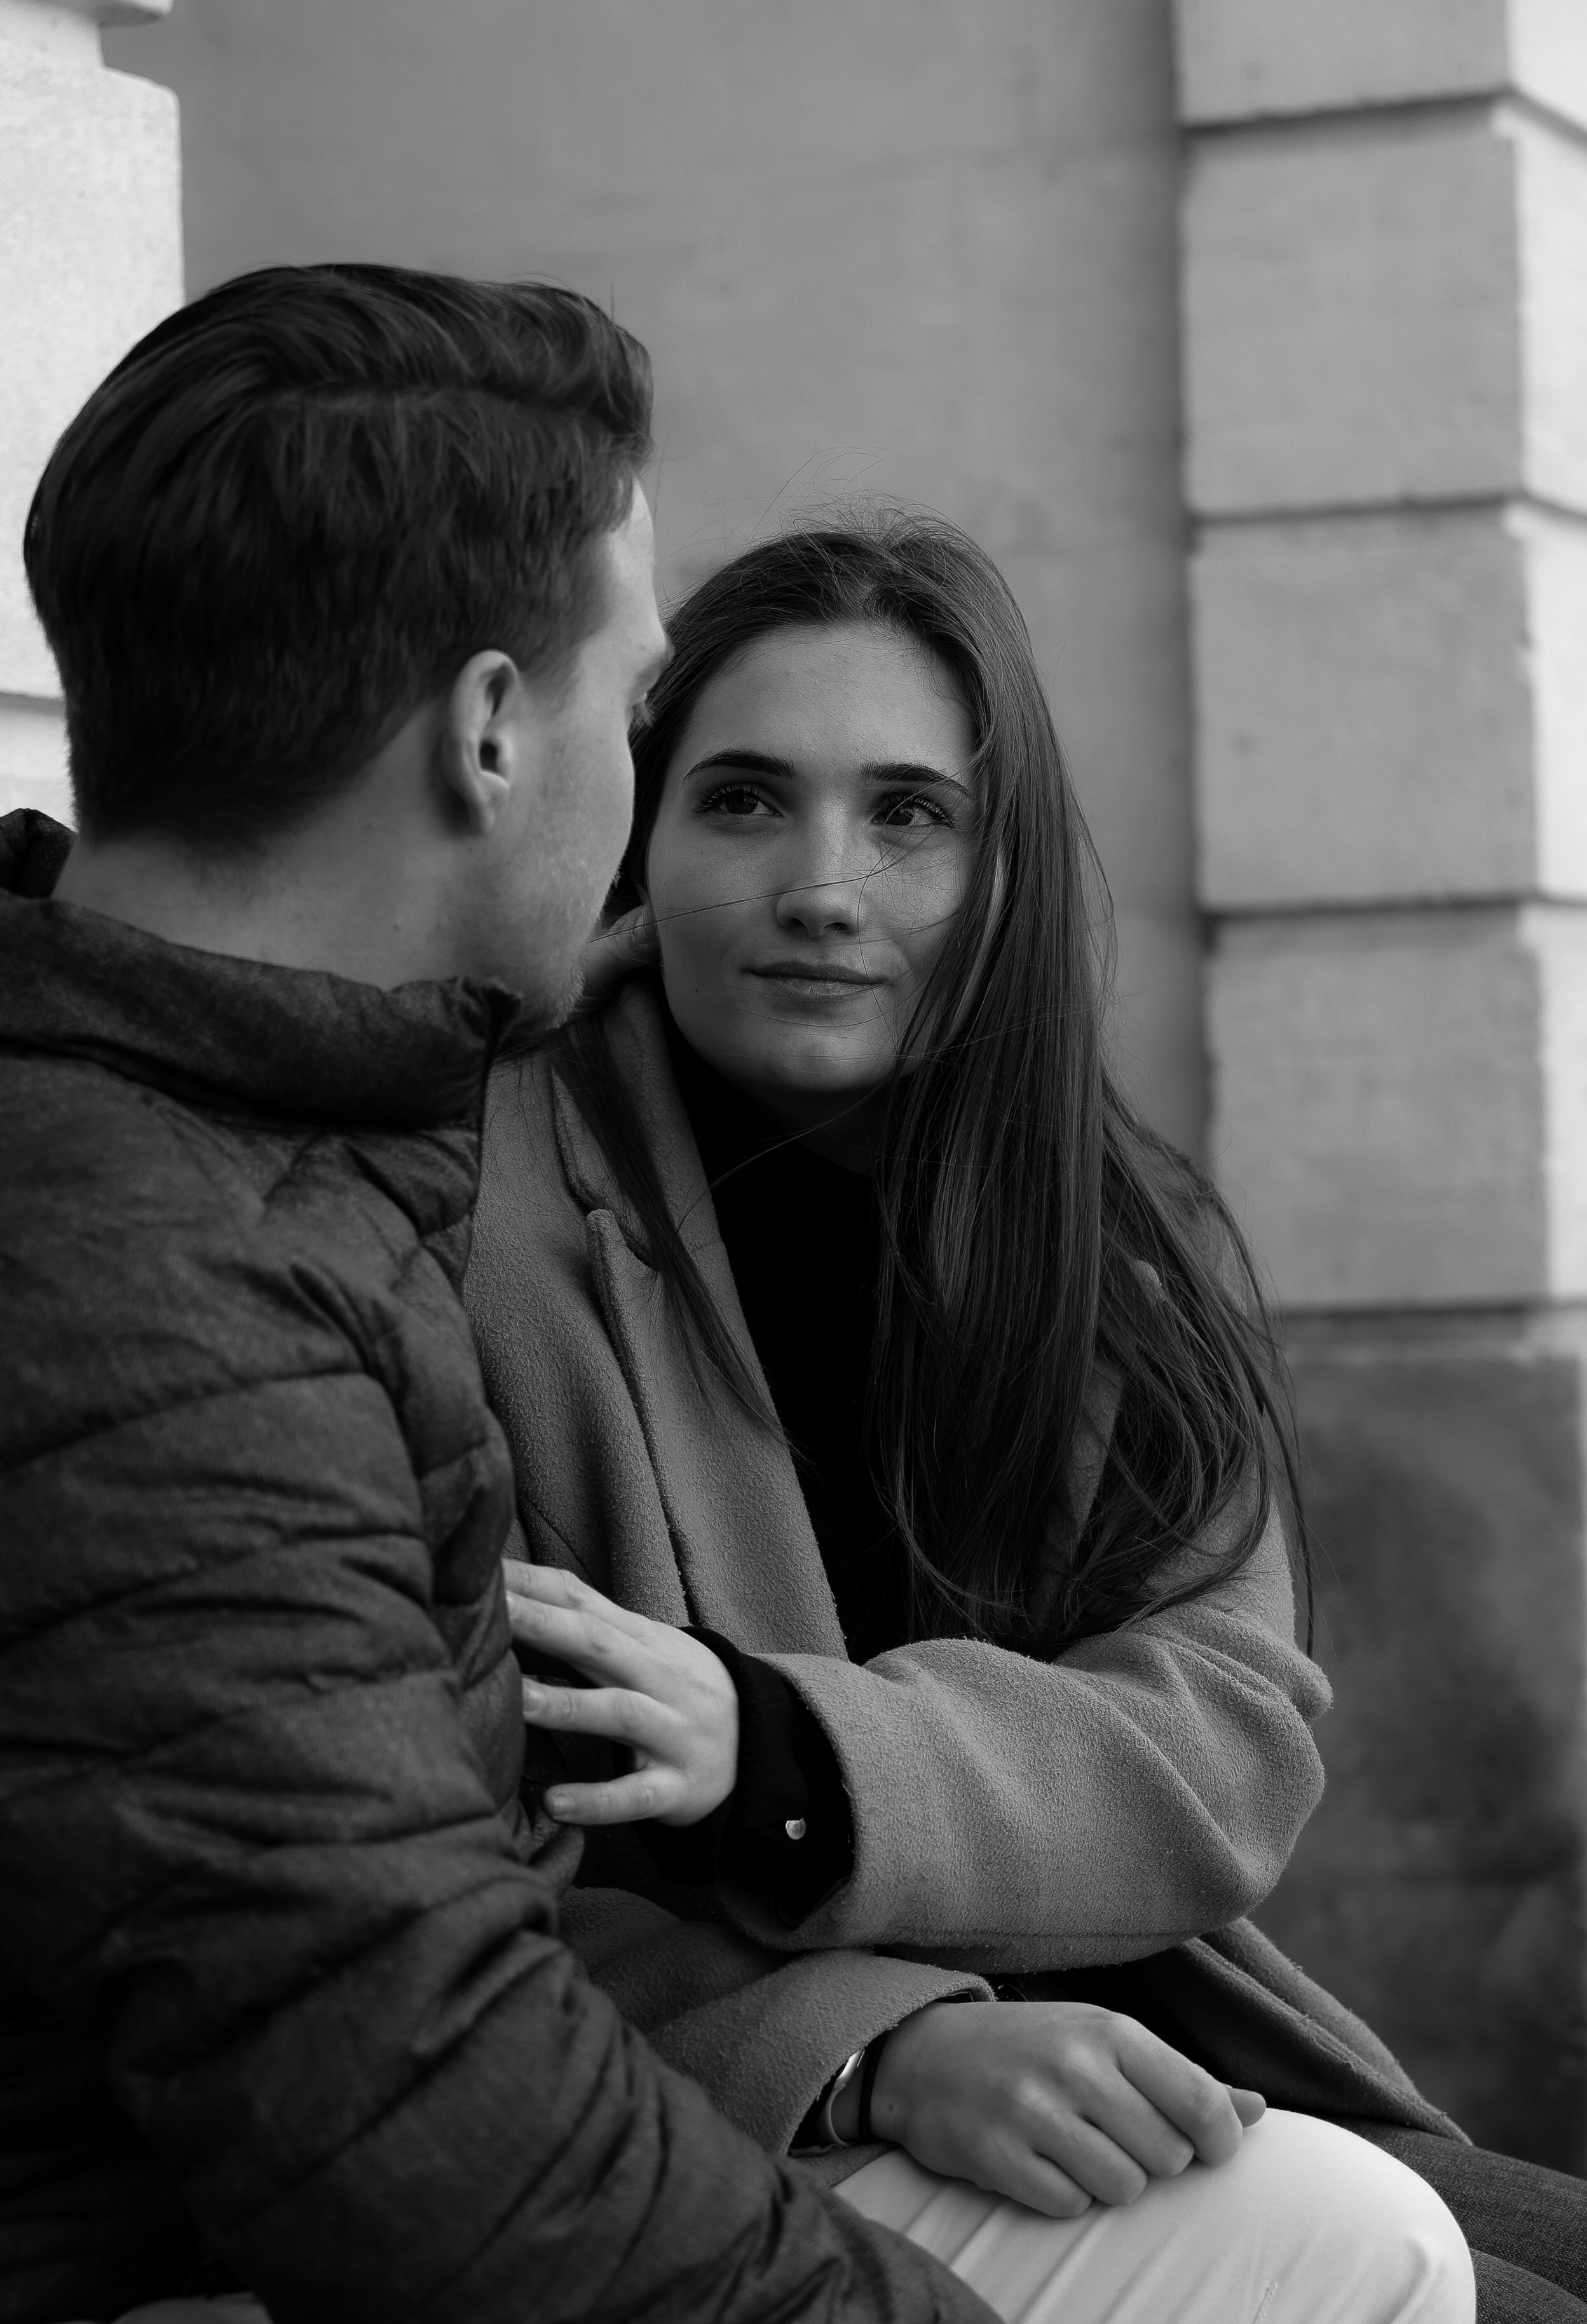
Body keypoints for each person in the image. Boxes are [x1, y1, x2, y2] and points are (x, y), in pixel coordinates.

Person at [0, 273, 1023, 2324]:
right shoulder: (155, 1273)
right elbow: (430, 2129)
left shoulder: (247, 1153)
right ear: (487, 728)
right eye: (642, 719)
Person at [467, 517, 1487, 2322]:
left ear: (999, 865)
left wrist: (789, 1755)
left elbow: (1224, 1741)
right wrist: (868, 2045)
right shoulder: (479, 1206)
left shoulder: (1115, 1232)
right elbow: (409, 1867)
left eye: (908, 815)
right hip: (692, 2108)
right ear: (638, 828)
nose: (823, 888)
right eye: (745, 802)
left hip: (1124, 2050)